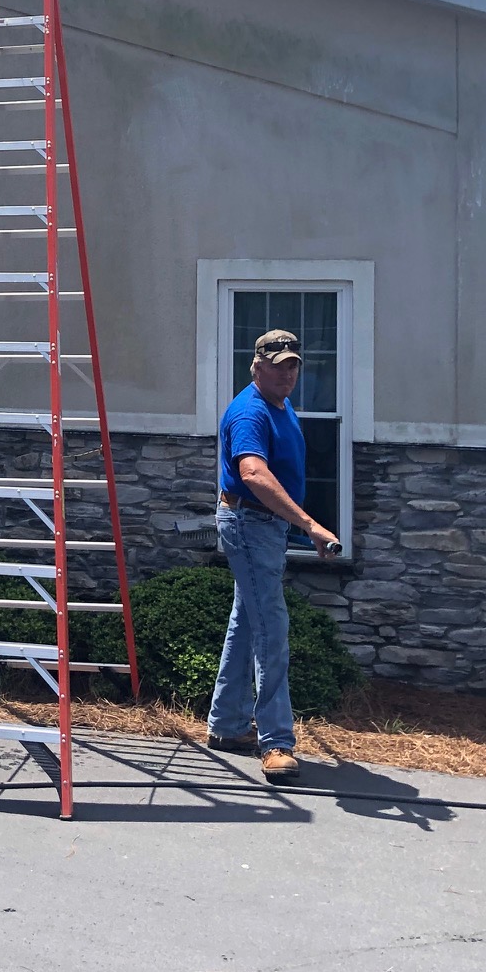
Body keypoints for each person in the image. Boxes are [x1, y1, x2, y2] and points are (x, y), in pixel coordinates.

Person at [208, 328, 341, 784]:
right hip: (250, 526)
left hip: (264, 527)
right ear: (257, 366)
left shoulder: (281, 407)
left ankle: (227, 725)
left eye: (293, 365)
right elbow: (253, 472)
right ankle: (276, 742)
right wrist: (310, 524)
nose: (288, 372)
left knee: (249, 620)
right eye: (278, 364)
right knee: (271, 628)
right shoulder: (250, 412)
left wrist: (297, 525)